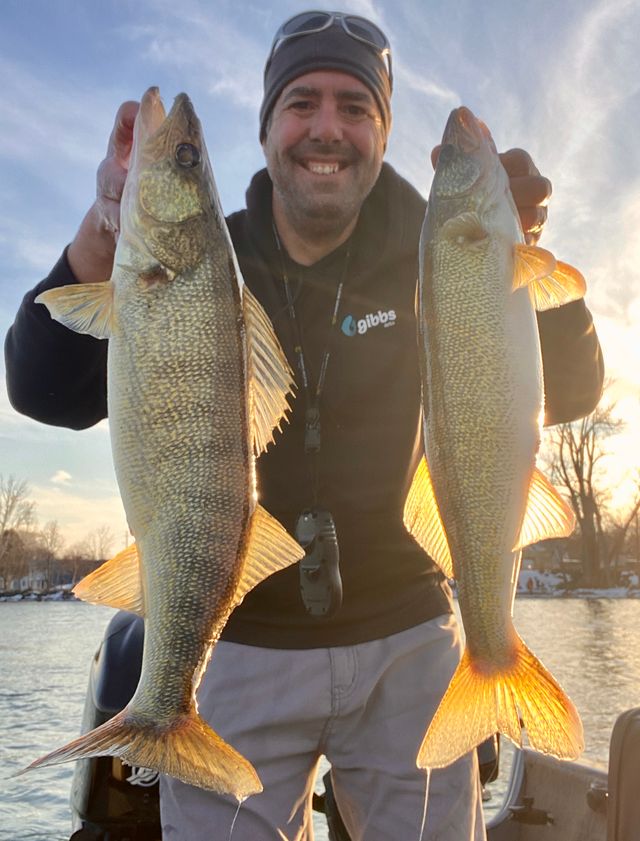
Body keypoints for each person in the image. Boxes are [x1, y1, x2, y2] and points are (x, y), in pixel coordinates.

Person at [5, 11, 604, 841]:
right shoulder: (206, 260)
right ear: (266, 127)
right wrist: (101, 235)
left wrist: (524, 255)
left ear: (383, 132)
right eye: (302, 102)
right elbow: (43, 391)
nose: (328, 128)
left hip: (410, 632)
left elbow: (572, 390)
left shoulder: (438, 249)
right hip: (237, 635)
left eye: (355, 107)